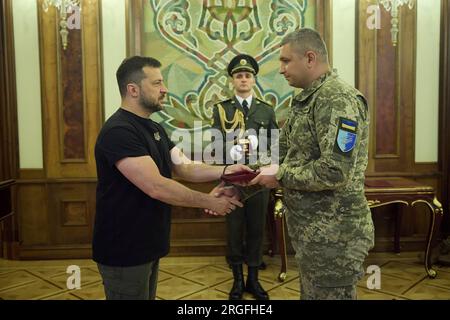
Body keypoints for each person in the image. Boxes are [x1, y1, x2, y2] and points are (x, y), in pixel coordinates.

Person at [93, 56, 247, 300]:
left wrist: (226, 170)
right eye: (157, 83)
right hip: (124, 248)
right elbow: (157, 186)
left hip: (148, 244)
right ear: (133, 90)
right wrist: (210, 202)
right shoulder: (118, 131)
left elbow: (184, 167)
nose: (165, 89)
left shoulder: (154, 128)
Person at [250, 28, 375, 300]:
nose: (281, 69)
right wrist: (249, 172)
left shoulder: (337, 99)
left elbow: (335, 172)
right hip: (314, 234)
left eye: (285, 61)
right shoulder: (306, 97)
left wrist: (280, 176)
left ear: (309, 58)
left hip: (336, 237)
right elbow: (283, 150)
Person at [211, 54, 278, 300]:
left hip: (259, 182)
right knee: (234, 229)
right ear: (232, 81)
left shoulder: (266, 110)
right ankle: (237, 280)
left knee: (256, 230)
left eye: (247, 75)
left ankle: (254, 280)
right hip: (234, 182)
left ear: (254, 80)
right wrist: (232, 163)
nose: (243, 79)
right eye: (239, 76)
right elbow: (216, 145)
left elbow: (274, 146)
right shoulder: (222, 109)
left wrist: (267, 171)